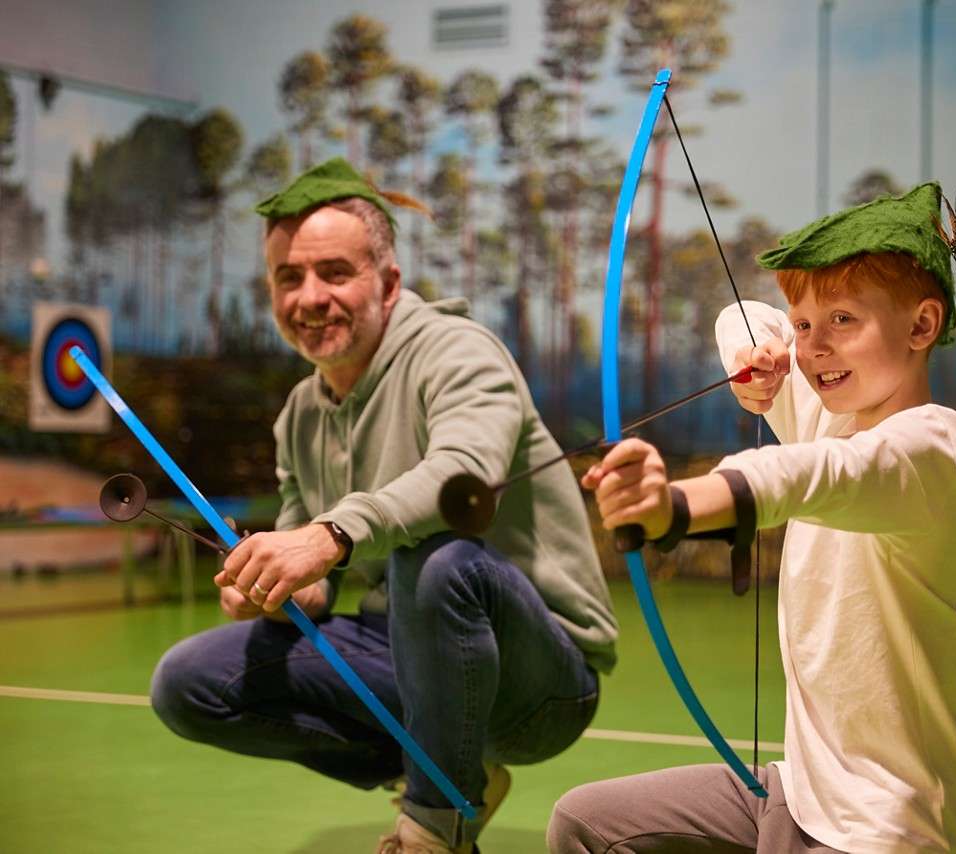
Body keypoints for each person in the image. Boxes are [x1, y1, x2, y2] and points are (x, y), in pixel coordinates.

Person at [148, 158, 617, 854]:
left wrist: (331, 533)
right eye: (289, 277)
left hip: (539, 686)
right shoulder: (299, 415)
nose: (310, 297)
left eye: (334, 272)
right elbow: (317, 579)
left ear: (389, 283)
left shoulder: (461, 353)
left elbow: (465, 477)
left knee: (437, 557)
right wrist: (282, 587)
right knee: (188, 683)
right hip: (406, 658)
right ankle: (455, 772)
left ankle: (434, 825)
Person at [548, 183, 956, 852]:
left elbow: (809, 476)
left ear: (922, 326)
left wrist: (673, 506)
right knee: (585, 824)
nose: (814, 347)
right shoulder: (825, 415)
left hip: (889, 824)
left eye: (843, 320)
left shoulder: (937, 445)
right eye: (805, 325)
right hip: (797, 791)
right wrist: (755, 358)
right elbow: (742, 316)